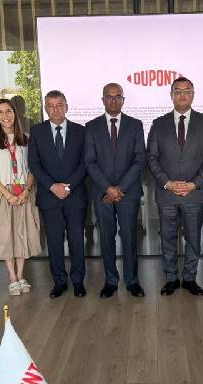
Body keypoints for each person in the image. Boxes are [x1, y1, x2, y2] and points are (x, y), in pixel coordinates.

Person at [147, 77, 203, 296]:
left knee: (194, 239)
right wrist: (167, 183)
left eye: (187, 91)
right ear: (171, 95)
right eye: (178, 91)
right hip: (167, 194)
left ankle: (189, 279)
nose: (182, 94)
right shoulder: (158, 124)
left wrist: (194, 184)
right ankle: (171, 279)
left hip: (194, 194)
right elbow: (152, 158)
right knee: (167, 239)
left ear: (193, 94)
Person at [84, 83, 147, 298]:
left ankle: (132, 281)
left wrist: (120, 188)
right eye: (109, 97)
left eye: (117, 96)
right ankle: (111, 280)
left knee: (129, 237)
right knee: (106, 238)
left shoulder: (135, 125)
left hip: (128, 192)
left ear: (123, 99)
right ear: (103, 100)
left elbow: (140, 159)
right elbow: (90, 162)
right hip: (102, 193)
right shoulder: (91, 127)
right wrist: (108, 188)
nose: (113, 100)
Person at [0, 99, 42, 295]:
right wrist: (7, 194)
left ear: (15, 114)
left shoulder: (26, 139)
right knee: (6, 235)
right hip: (2, 194)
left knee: (22, 233)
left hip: (23, 193)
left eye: (9, 111)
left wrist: (26, 191)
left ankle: (21, 275)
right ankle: (12, 277)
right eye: (0, 112)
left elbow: (32, 168)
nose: (5, 116)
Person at [28, 90, 88, 298]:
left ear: (66, 107)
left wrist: (68, 186)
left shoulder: (81, 131)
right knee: (54, 242)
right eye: (51, 106)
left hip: (75, 196)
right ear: (45, 109)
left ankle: (78, 281)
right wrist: (53, 186)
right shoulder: (36, 132)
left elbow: (85, 163)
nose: (55, 109)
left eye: (59, 105)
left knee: (77, 240)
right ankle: (59, 282)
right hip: (49, 196)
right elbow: (34, 164)